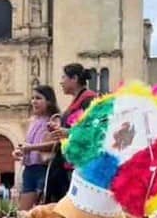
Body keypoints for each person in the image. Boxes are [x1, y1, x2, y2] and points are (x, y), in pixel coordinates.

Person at [43, 64, 97, 203]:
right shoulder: (78, 100)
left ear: (74, 78)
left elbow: (95, 129)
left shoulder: (88, 100)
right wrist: (58, 128)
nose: (61, 81)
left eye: (63, 77)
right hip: (68, 160)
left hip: (79, 163)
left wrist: (68, 132)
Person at [13, 85, 61, 210]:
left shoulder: (54, 120)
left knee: (42, 210)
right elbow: (27, 144)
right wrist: (19, 151)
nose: (34, 101)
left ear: (49, 101)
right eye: (33, 98)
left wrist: (31, 148)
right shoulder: (32, 121)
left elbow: (56, 145)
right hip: (29, 170)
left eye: (39, 98)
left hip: (44, 170)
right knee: (23, 213)